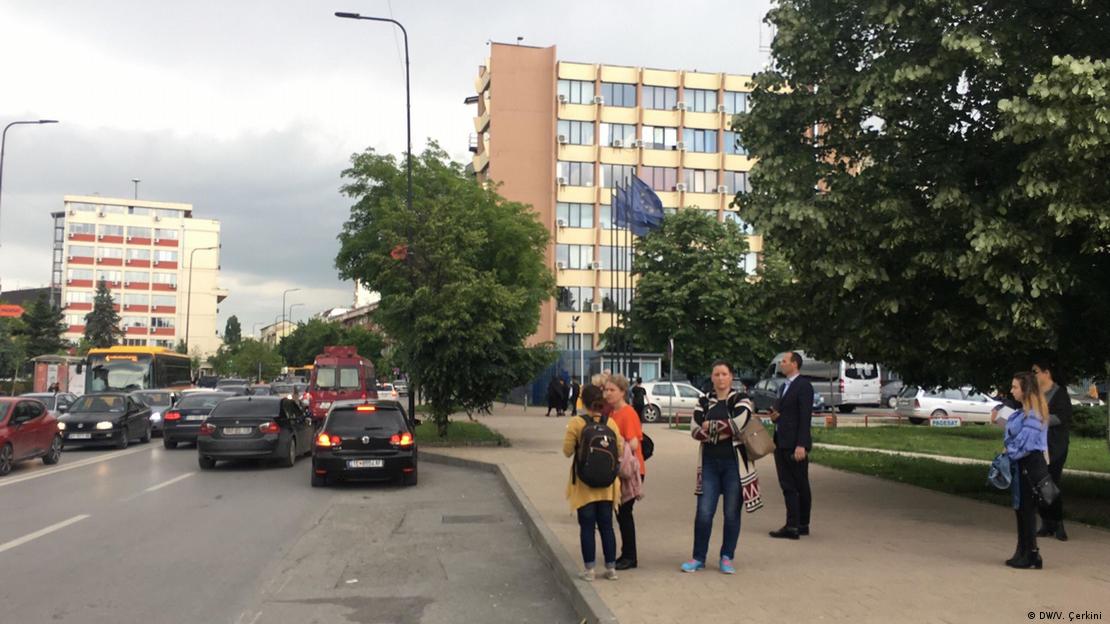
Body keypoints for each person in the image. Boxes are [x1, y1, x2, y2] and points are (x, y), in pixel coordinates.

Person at [681, 360, 753, 574]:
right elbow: (694, 429)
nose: (720, 378)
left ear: (731, 376)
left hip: (734, 464)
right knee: (704, 512)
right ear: (712, 378)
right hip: (709, 463)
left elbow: (740, 423)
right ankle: (698, 557)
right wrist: (723, 431)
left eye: (724, 374)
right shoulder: (704, 401)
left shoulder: (741, 399)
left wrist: (710, 426)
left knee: (731, 513)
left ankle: (727, 556)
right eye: (716, 374)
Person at [563, 384, 623, 581]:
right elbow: (620, 450)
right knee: (607, 526)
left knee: (587, 527)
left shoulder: (576, 423)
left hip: (584, 485)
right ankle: (611, 568)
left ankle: (589, 570)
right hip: (607, 486)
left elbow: (567, 451)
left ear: (583, 401)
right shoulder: (610, 423)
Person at [1000, 371, 1051, 569]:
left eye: (1015, 387)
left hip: (1030, 465)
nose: (1012, 390)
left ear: (1026, 390)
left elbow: (1024, 444)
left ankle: (1031, 554)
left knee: (1027, 510)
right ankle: (1022, 550)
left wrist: (1008, 452)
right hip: (1022, 464)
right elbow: (1012, 436)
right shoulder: (1022, 413)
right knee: (1020, 509)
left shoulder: (1034, 415)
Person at [769, 351, 814, 540]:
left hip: (794, 443)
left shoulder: (803, 386)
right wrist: (775, 417)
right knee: (789, 483)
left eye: (785, 361)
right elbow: (786, 412)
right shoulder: (784, 386)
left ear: (794, 364)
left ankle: (795, 525)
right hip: (781, 440)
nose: (781, 363)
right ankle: (798, 523)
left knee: (796, 484)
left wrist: (801, 444)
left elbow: (805, 417)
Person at [604, 374, 644, 571]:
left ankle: (630, 556)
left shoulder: (628, 413)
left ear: (622, 392)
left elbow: (634, 442)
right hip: (620, 469)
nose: (607, 393)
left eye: (612, 390)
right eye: (606, 390)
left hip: (630, 470)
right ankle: (626, 553)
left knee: (624, 513)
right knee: (621, 513)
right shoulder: (612, 412)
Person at [1032, 359, 1072, 541]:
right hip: (1037, 445)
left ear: (1046, 373)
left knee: (1051, 483)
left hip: (1055, 446)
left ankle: (1058, 522)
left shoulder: (1060, 393)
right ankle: (1046, 522)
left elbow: (1062, 417)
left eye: (1036, 371)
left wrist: (1041, 418)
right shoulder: (1034, 393)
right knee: (1038, 484)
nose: (1033, 375)